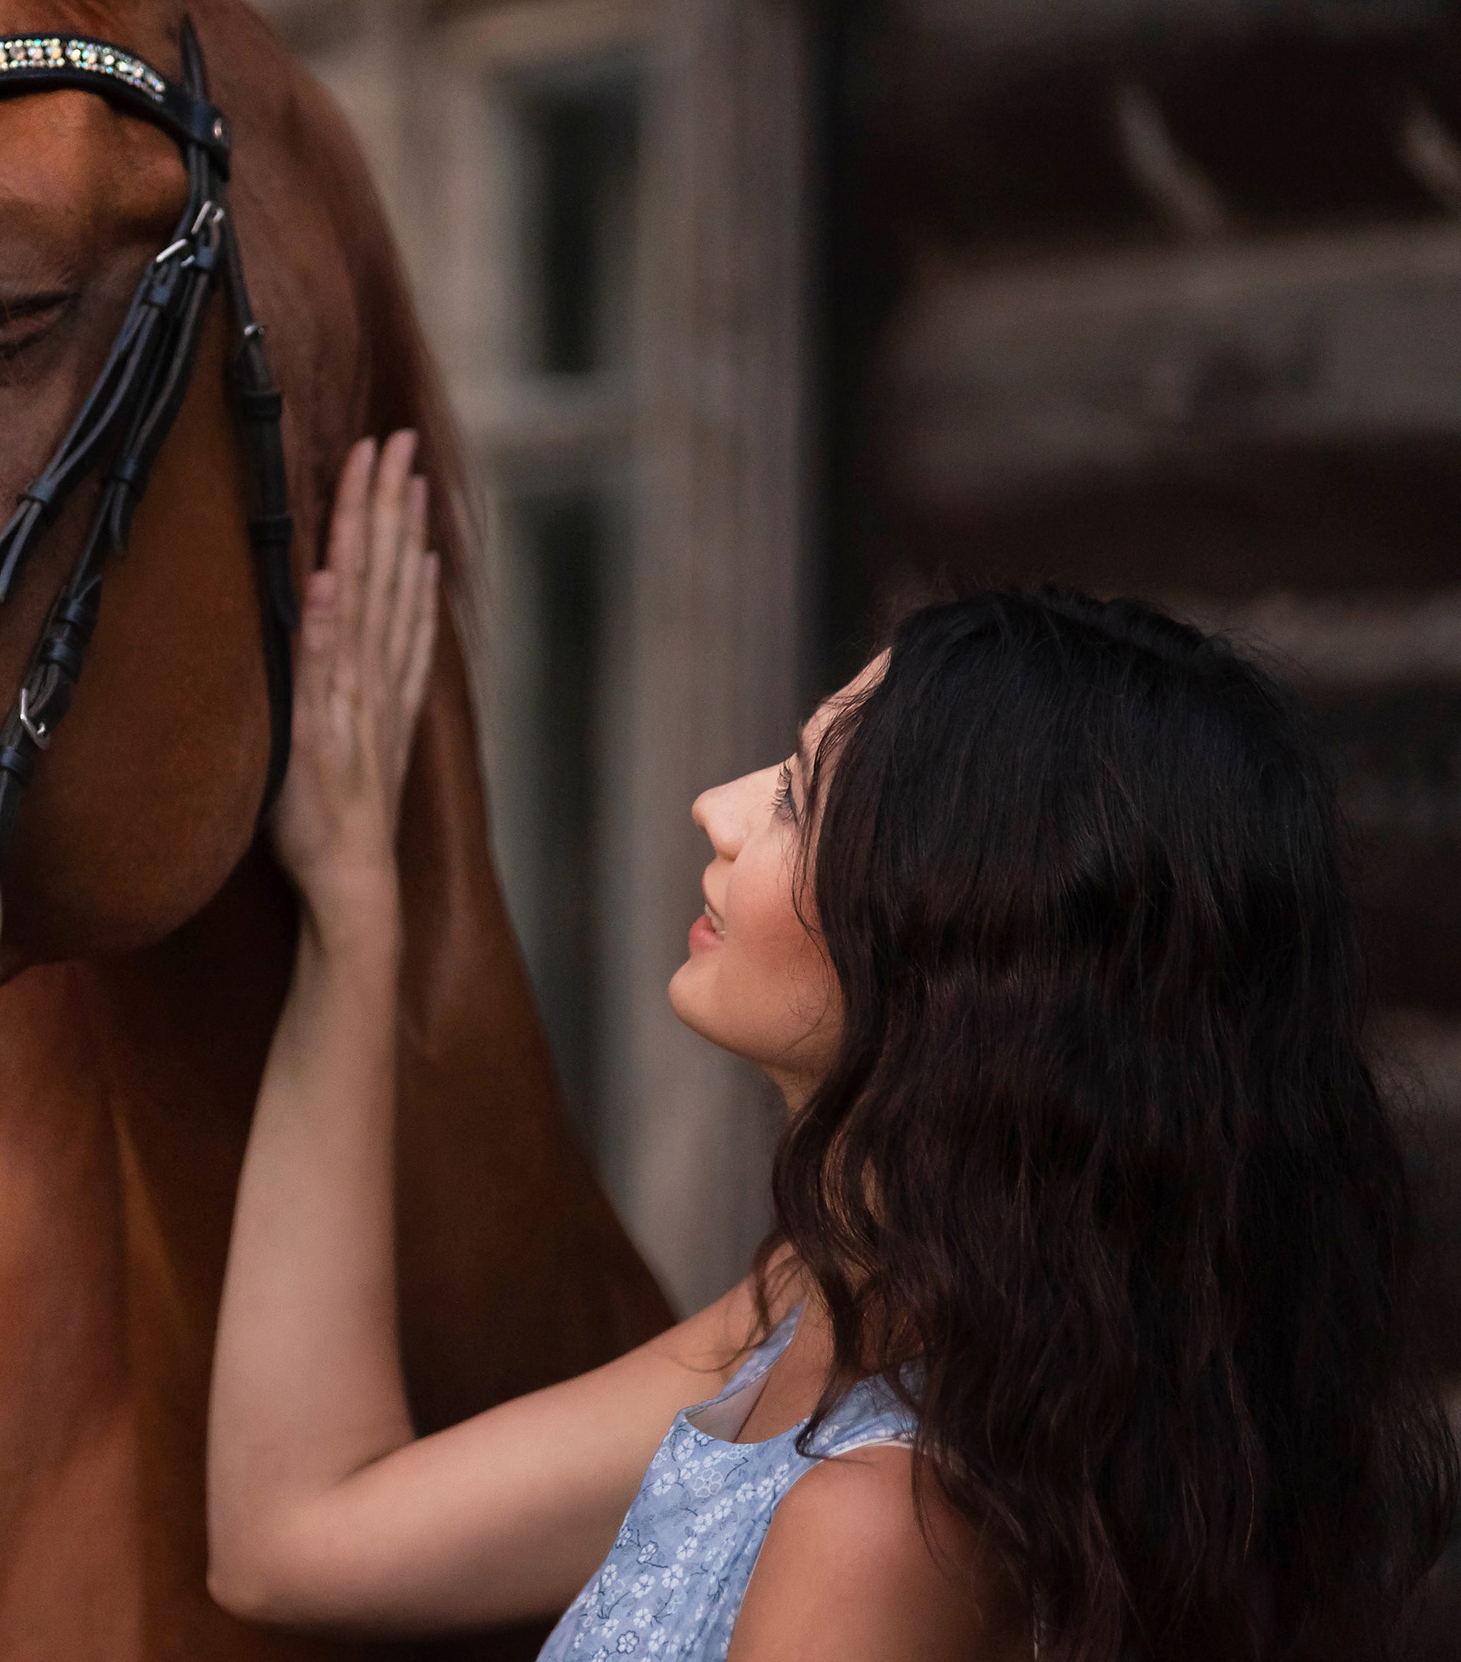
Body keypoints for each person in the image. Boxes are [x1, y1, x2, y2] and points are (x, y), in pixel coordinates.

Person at [205, 431, 1458, 1661]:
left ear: (960, 954)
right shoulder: (823, 1307)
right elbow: (293, 1539)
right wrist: (353, 916)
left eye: (799, 796)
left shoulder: (881, 1524)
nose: (721, 805)